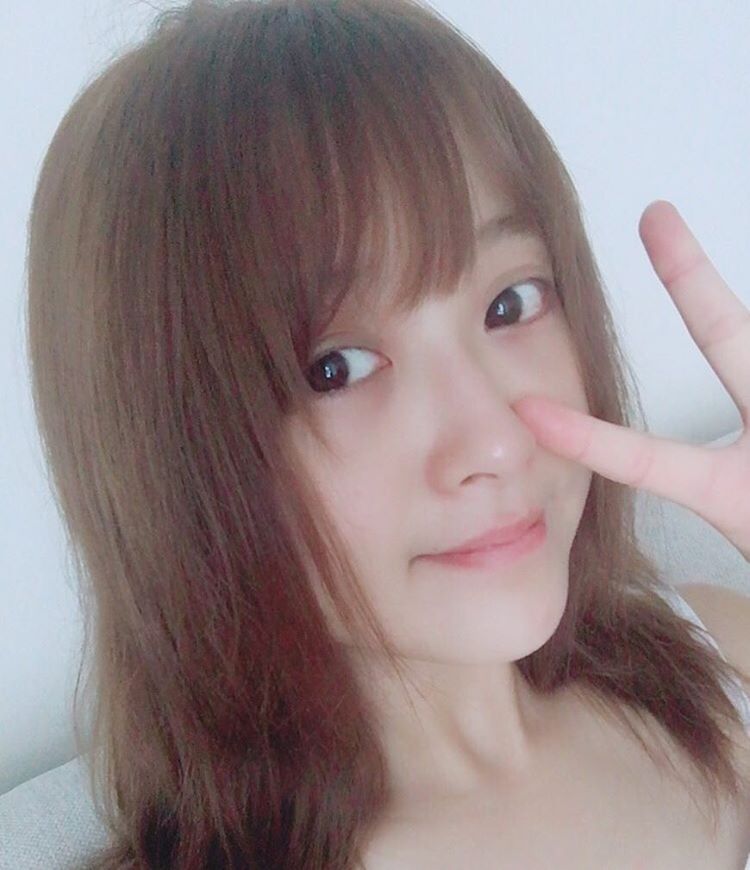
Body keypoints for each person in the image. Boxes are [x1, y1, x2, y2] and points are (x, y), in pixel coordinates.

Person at [24, 0, 750, 867]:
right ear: (173, 467)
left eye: (509, 303)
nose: (494, 442)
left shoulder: (716, 659)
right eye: (335, 368)